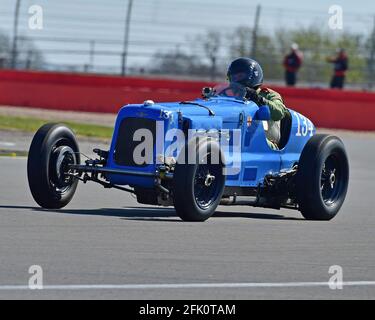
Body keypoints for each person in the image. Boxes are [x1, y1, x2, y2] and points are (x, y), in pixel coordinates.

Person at [227, 57, 288, 150]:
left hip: (265, 144)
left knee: (240, 140)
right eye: (234, 77)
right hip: (237, 137)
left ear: (253, 76)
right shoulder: (229, 97)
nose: (236, 80)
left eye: (240, 76)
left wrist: (258, 99)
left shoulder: (268, 95)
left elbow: (279, 113)